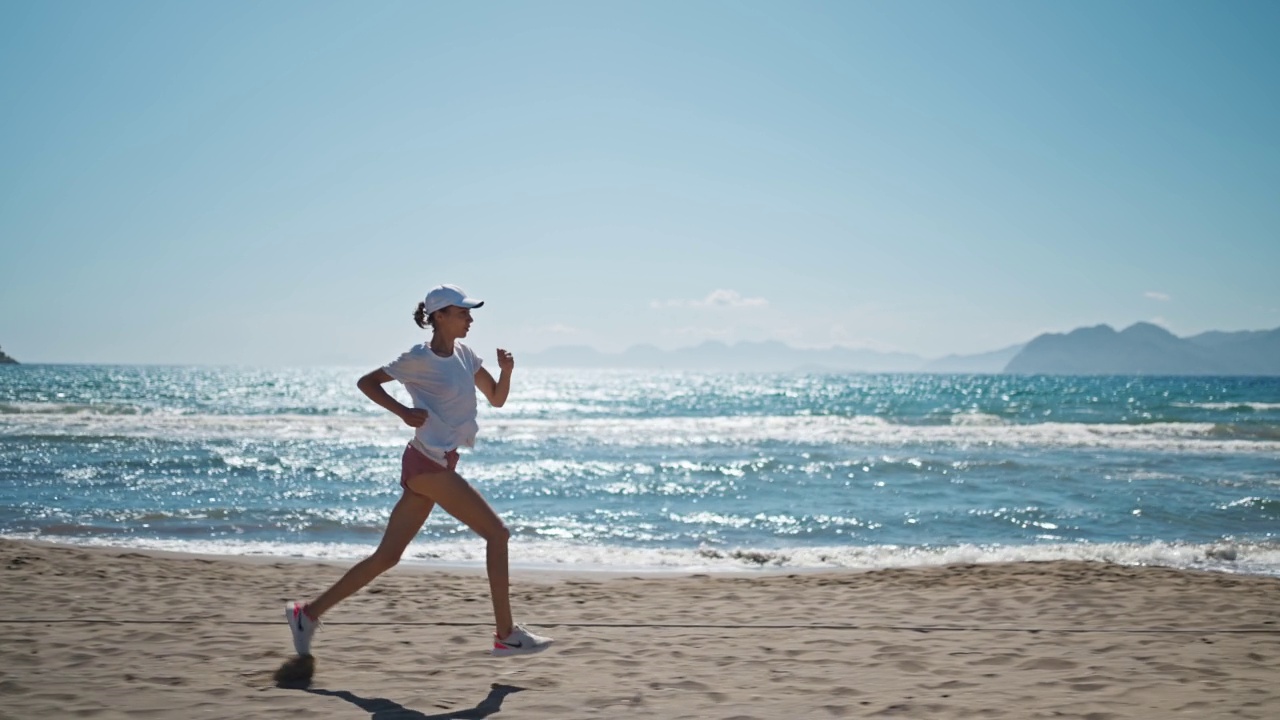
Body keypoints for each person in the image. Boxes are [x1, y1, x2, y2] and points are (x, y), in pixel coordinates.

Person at [286, 284, 553, 658]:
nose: (470, 319)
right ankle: (505, 634)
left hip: (438, 461)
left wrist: (506, 372)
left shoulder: (466, 355)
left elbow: (496, 398)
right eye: (462, 313)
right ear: (438, 316)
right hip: (427, 463)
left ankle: (306, 614)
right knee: (497, 534)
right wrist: (402, 412)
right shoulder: (418, 358)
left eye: (469, 313)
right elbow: (367, 383)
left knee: (387, 556)